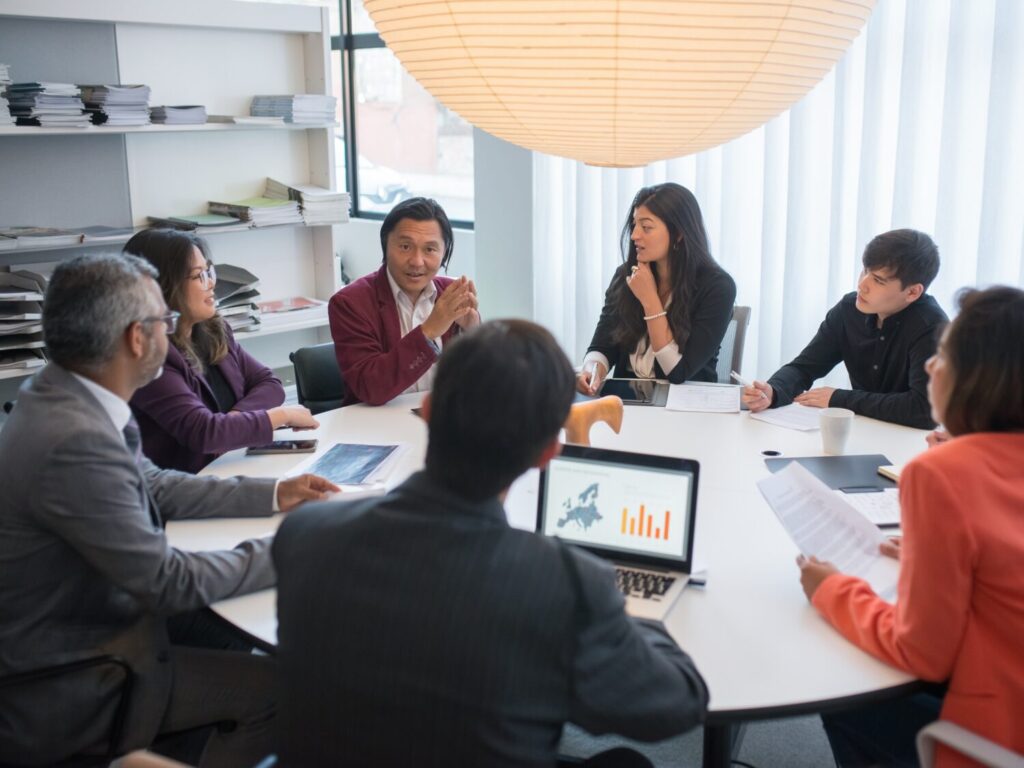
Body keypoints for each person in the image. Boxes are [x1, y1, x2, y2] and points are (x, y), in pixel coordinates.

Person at [273, 320, 709, 767]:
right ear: (547, 454)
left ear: (426, 410)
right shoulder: (565, 583)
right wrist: (614, 600)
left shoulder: (306, 533)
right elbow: (678, 703)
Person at [0, 254, 338, 767]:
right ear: (137, 338)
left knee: (238, 630)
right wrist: (291, 548)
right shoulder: (73, 439)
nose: (172, 328)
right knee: (282, 688)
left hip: (95, 617)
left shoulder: (64, 394)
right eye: (164, 319)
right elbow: (167, 581)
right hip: (76, 670)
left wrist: (273, 493)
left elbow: (151, 483)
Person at [796, 285, 1024, 766]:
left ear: (980, 377)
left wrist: (831, 589)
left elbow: (923, 653)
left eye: (943, 355)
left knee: (845, 690)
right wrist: (929, 553)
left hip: (997, 731)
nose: (929, 367)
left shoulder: (941, 474)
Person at [125, 229, 318, 473]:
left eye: (209, 271)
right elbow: (203, 432)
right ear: (163, 287)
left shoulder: (214, 329)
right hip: (184, 487)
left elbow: (269, 383)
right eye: (199, 276)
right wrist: (280, 416)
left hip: (233, 464)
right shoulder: (149, 353)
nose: (212, 283)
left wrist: (232, 422)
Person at [742, 229, 947, 429]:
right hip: (862, 433)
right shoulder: (849, 309)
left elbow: (923, 410)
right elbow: (804, 367)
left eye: (878, 280)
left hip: (907, 445)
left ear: (912, 292)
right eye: (865, 271)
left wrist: (839, 398)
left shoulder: (932, 328)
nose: (862, 284)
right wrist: (773, 391)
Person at [578, 182, 736, 394]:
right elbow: (602, 346)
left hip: (688, 406)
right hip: (630, 400)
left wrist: (650, 299)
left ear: (679, 233)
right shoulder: (626, 276)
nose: (634, 235)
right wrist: (592, 369)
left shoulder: (718, 287)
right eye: (634, 225)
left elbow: (678, 372)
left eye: (646, 227)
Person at [328, 197, 480, 406]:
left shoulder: (450, 294)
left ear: (444, 252)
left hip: (439, 420)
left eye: (430, 250)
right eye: (405, 246)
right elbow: (370, 387)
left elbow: (482, 383)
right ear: (386, 246)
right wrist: (429, 331)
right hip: (373, 426)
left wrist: (473, 332)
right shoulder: (350, 303)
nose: (417, 261)